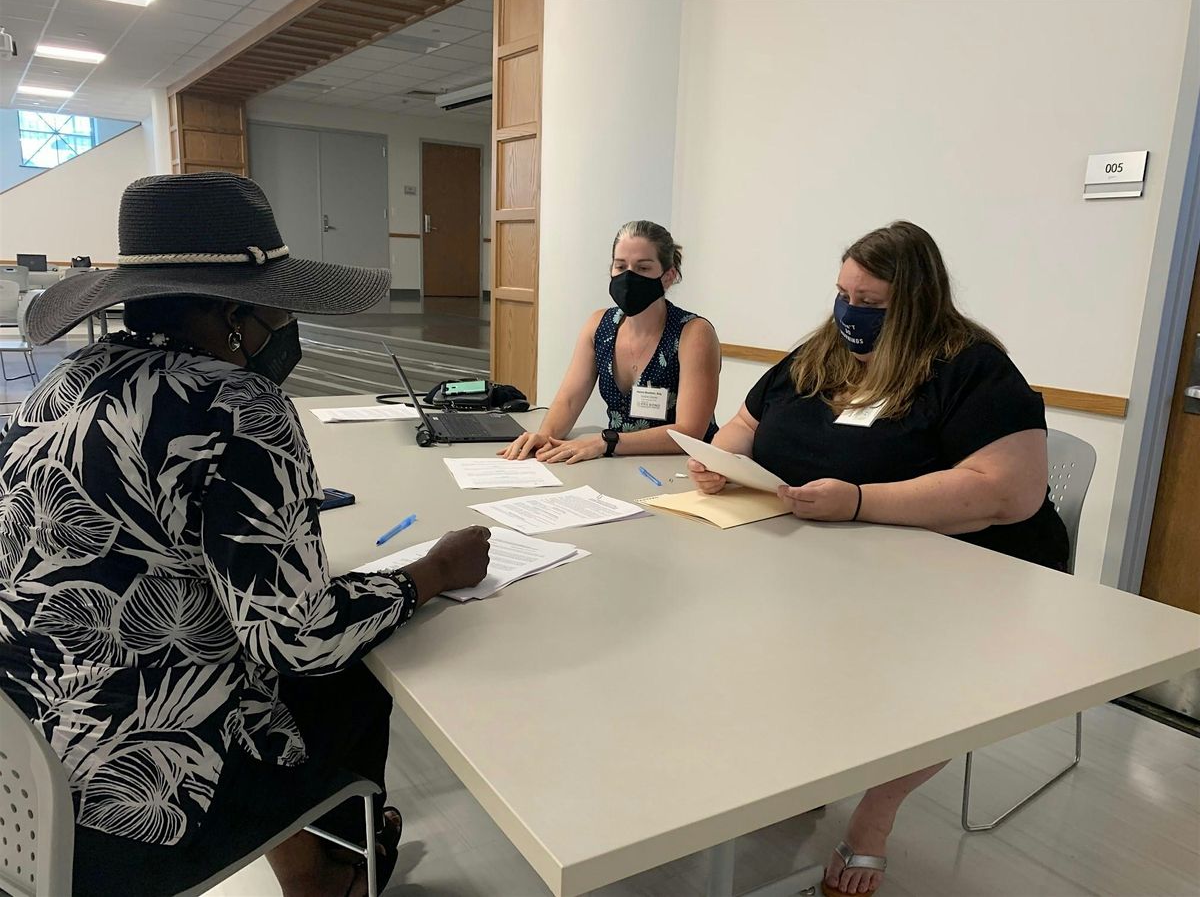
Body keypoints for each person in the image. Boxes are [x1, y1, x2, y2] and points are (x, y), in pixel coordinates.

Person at [0, 172, 491, 897]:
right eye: (277, 307)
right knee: (354, 681)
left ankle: (314, 863)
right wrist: (435, 571)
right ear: (235, 315)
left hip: (27, 760)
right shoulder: (239, 404)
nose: (285, 326)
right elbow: (301, 640)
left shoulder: (63, 382)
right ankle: (326, 878)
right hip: (139, 800)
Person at [688, 220, 1068, 897]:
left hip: (963, 569)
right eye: (843, 294)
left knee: (930, 678)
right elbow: (742, 427)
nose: (849, 312)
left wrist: (860, 501)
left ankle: (876, 812)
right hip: (823, 557)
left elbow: (1008, 493)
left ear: (916, 301)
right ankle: (805, 763)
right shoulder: (819, 353)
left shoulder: (972, 368)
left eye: (870, 302)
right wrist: (721, 463)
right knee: (752, 634)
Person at [500, 220, 721, 463]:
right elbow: (569, 400)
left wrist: (607, 441)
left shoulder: (694, 333)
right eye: (621, 266)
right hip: (619, 463)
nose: (629, 276)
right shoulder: (599, 326)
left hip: (688, 469)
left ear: (668, 276)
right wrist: (545, 436)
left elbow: (690, 432)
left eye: (643, 268)